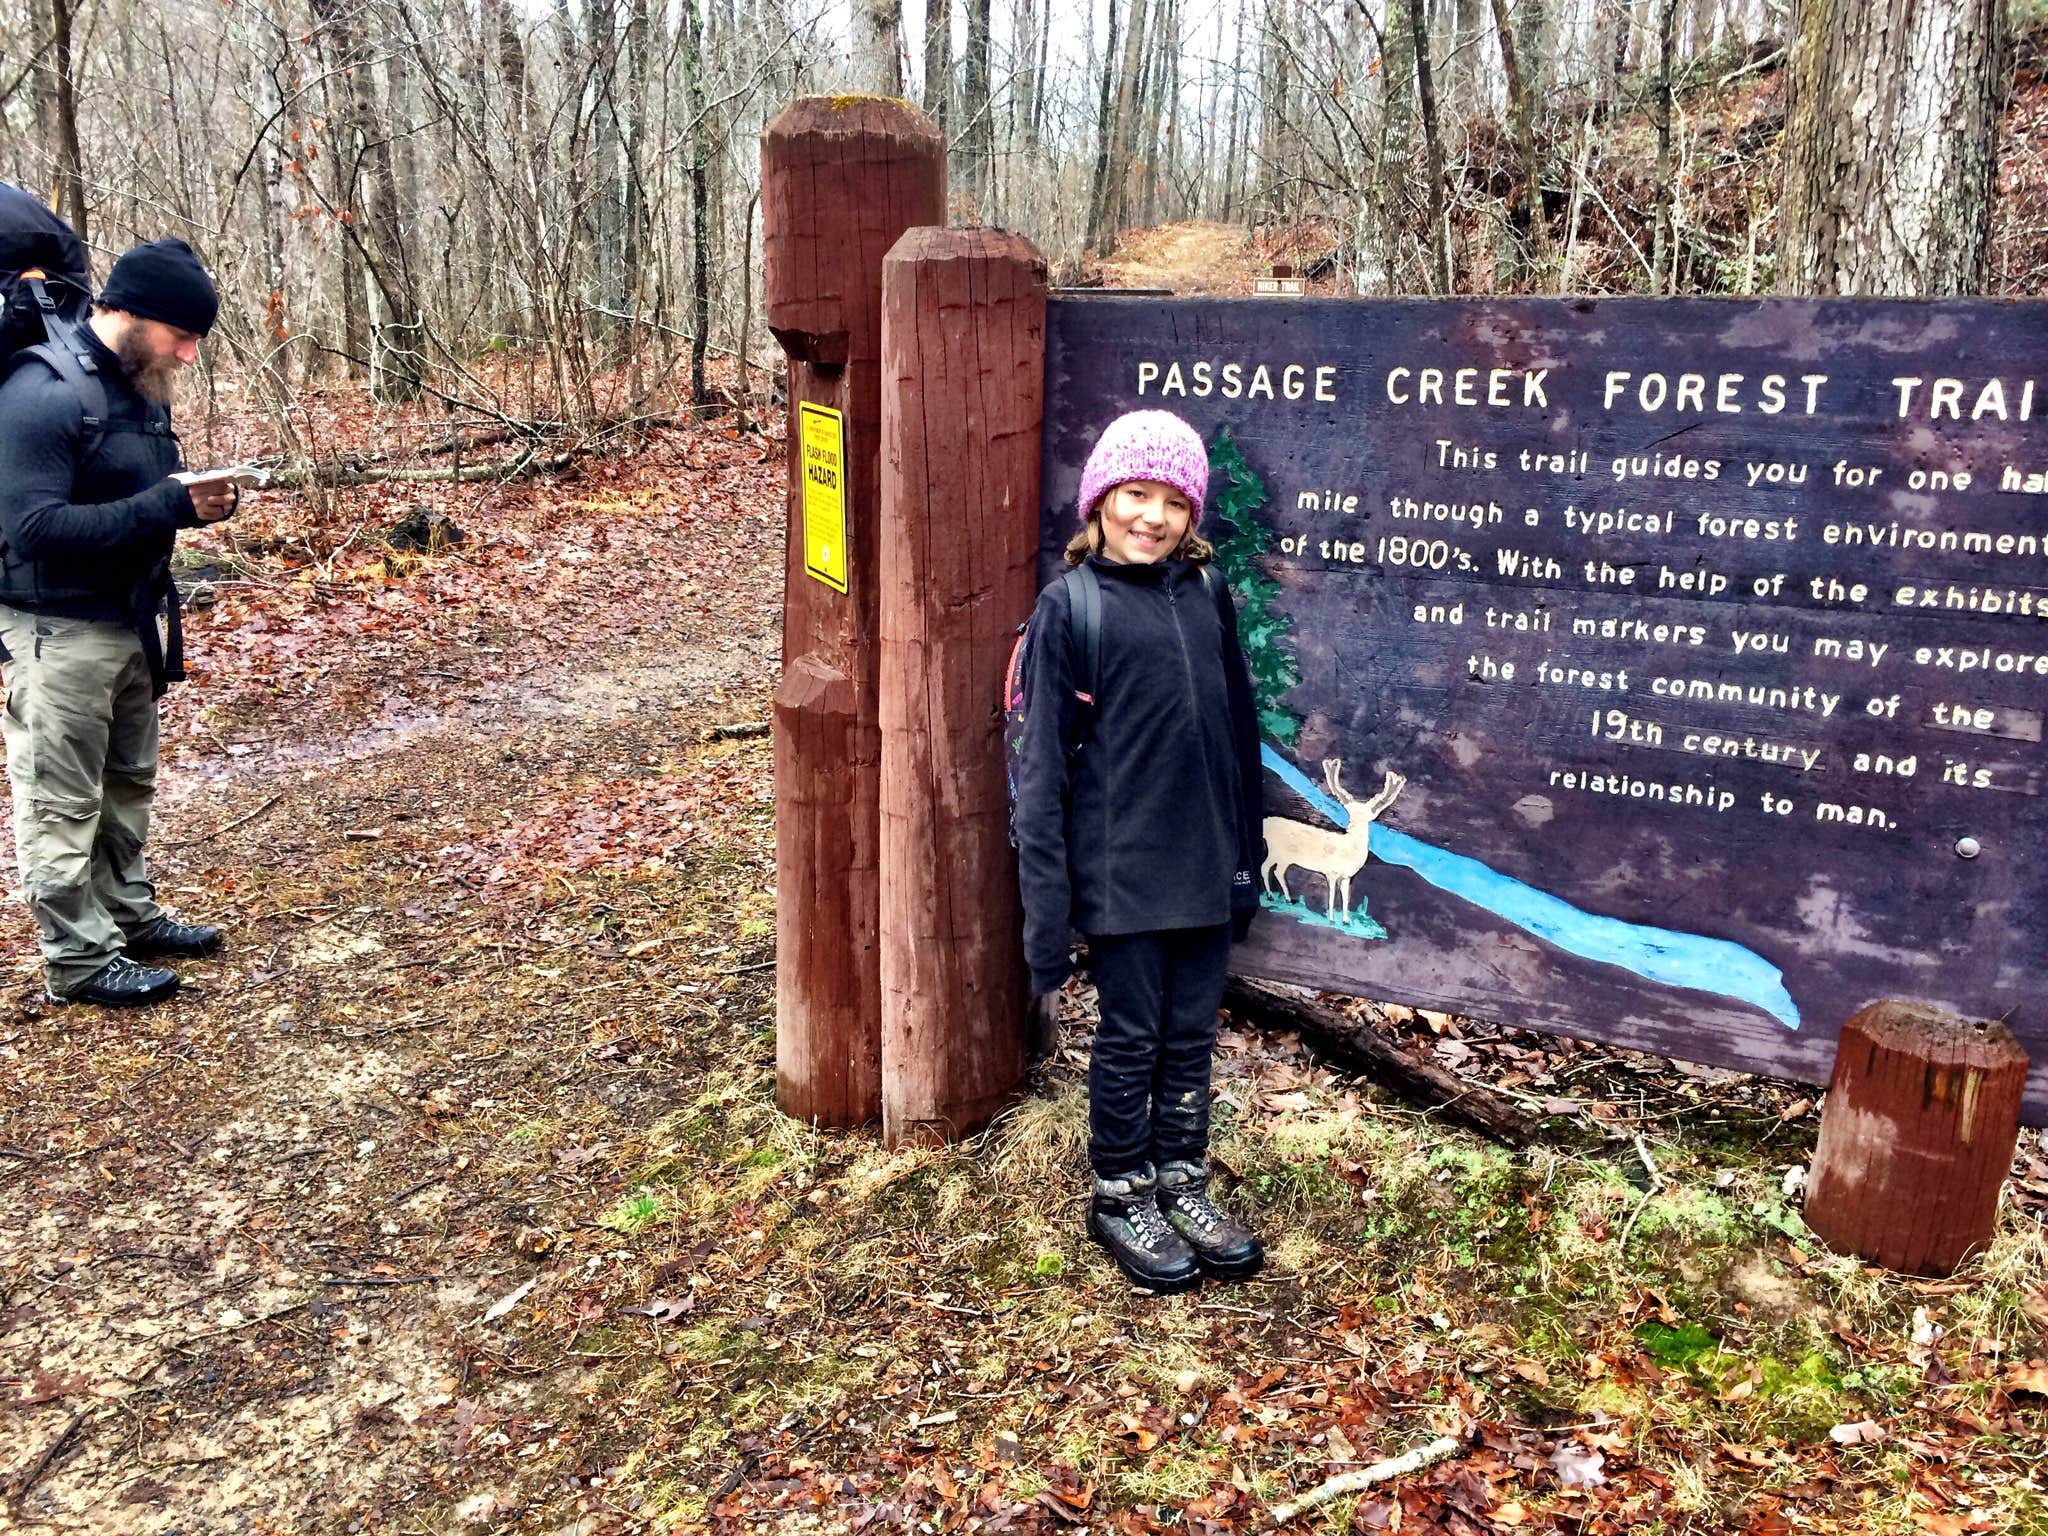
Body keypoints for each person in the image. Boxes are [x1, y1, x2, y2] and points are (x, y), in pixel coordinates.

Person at [1011, 408, 1267, 1293]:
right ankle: (1120, 1193)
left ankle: (1180, 1179)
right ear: (1100, 501)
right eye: (1135, 495)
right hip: (1120, 876)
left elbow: (1240, 734)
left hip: (1202, 865)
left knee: (1191, 1036)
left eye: (1171, 501)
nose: (1152, 517)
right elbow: (1039, 772)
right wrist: (1047, 921)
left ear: (1192, 514)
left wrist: (1247, 863)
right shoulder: (1069, 609)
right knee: (1132, 1037)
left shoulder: (1206, 595)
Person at [0, 237, 239, 1007]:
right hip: (57, 633)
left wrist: (198, 503)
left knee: (126, 784)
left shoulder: (138, 382)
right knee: (61, 800)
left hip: (129, 619)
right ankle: (77, 958)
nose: (190, 355)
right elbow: (31, 529)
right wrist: (164, 505)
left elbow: (136, 496)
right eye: (183, 336)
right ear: (130, 313)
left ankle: (126, 915)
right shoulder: (42, 392)